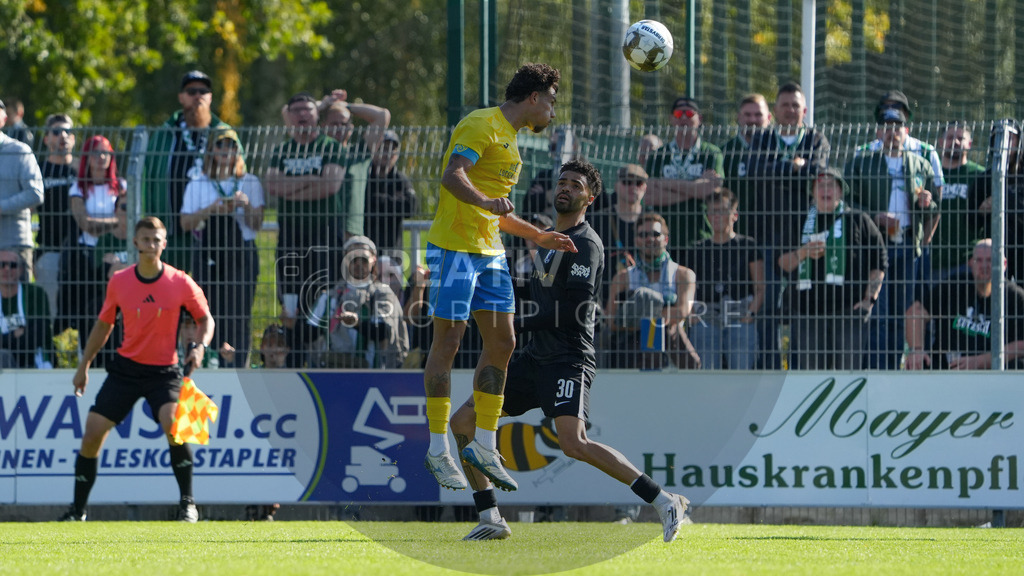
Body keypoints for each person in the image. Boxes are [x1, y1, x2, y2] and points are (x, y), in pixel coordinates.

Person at [450, 159, 689, 542]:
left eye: (575, 185)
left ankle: (662, 500)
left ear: (589, 198)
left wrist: (514, 324)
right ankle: (490, 516)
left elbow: (567, 312)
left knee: (573, 443)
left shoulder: (587, 245)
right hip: (534, 358)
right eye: (562, 182)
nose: (565, 187)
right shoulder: (547, 240)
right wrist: (482, 280)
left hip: (568, 359)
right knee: (462, 422)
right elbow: (535, 288)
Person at [422, 63, 576, 493]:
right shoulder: (481, 124)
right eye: (551, 101)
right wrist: (487, 202)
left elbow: (499, 214)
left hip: (490, 254)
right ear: (533, 97)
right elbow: (453, 176)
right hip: (454, 248)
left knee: (504, 342)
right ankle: (437, 448)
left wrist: (539, 235)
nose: (552, 110)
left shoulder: (512, 141)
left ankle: (485, 443)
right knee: (448, 342)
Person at [59, 216, 213, 523]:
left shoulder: (179, 281)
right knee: (91, 434)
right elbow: (104, 325)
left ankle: (188, 504)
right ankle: (77, 512)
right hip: (126, 370)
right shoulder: (119, 281)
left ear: (164, 244)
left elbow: (205, 318)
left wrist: (199, 347)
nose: (151, 245)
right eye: (145, 240)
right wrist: (84, 365)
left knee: (174, 425)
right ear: (135, 242)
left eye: (157, 240)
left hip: (164, 372)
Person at [845, 106, 939, 370]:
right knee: (878, 311)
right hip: (877, 247)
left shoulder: (920, 163)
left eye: (897, 128)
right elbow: (849, 202)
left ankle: (893, 368)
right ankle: (876, 368)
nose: (892, 133)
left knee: (902, 313)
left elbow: (935, 206)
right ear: (878, 132)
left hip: (908, 245)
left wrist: (927, 203)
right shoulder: (862, 162)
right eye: (886, 128)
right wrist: (875, 217)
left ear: (905, 132)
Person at [746, 83, 830, 369]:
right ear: (775, 111)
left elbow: (816, 174)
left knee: (801, 304)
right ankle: (769, 366)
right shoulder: (762, 139)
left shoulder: (816, 139)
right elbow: (757, 173)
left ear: (804, 111)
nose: (791, 110)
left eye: (796, 106)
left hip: (804, 238)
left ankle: (799, 366)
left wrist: (784, 170)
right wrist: (794, 167)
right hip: (768, 235)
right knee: (768, 304)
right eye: (785, 105)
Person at [777, 168, 887, 370]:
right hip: (807, 314)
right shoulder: (799, 221)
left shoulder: (859, 220)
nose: (825, 190)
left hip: (849, 313)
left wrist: (868, 300)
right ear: (812, 191)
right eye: (820, 185)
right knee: (812, 379)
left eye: (831, 185)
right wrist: (803, 253)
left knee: (848, 377)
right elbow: (782, 264)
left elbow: (879, 262)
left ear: (841, 191)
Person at [265, 92, 346, 361]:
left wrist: (291, 189)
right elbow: (272, 186)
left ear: (317, 114)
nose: (302, 114)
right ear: (290, 115)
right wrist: (313, 179)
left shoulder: (331, 147)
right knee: (290, 300)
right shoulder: (282, 150)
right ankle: (294, 360)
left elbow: (330, 186)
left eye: (308, 110)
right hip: (290, 234)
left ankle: (322, 360)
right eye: (296, 110)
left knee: (322, 297)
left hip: (325, 233)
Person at [181, 129, 264, 368]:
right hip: (208, 252)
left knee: (239, 315)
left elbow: (256, 225)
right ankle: (209, 362)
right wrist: (211, 209)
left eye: (231, 146)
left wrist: (246, 206)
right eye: (221, 146)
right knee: (208, 311)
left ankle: (238, 366)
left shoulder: (250, 181)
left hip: (242, 254)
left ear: (238, 151)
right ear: (212, 151)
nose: (226, 151)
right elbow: (185, 223)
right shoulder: (199, 183)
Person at [143, 71, 233, 271]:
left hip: (216, 235)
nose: (198, 96)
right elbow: (147, 182)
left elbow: (240, 175)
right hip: (171, 235)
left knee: (211, 296)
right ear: (181, 97)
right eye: (191, 91)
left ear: (210, 97)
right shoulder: (163, 135)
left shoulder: (225, 134)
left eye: (203, 91)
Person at [905, 239, 1024, 370]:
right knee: (919, 362)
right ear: (970, 263)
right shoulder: (954, 285)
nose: (984, 266)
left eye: (990, 260)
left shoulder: (1015, 296)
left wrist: (982, 361)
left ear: (1004, 264)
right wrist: (916, 349)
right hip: (948, 368)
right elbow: (916, 311)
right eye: (978, 260)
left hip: (994, 373)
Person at [296, 235, 409, 369]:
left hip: (373, 372)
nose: (358, 264)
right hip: (333, 369)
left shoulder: (383, 294)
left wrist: (356, 324)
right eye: (353, 259)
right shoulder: (331, 296)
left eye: (363, 259)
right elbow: (310, 334)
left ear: (373, 260)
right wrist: (294, 324)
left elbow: (384, 332)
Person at [604, 212, 700, 370]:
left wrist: (642, 317)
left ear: (666, 239)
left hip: (671, 342)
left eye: (655, 234)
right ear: (636, 240)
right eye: (643, 235)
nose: (649, 239)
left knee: (664, 328)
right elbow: (612, 320)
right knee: (653, 330)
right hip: (632, 343)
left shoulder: (683, 274)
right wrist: (657, 317)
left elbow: (682, 311)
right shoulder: (623, 278)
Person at [687, 188, 765, 370]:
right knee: (705, 369)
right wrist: (692, 314)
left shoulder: (748, 245)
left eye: (721, 211)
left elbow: (760, 287)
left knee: (741, 368)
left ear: (734, 215)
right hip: (706, 314)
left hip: (740, 313)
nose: (715, 216)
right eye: (712, 212)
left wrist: (751, 314)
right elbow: (687, 287)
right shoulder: (697, 248)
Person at [60, 135, 126, 352]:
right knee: (90, 309)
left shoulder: (121, 186)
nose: (101, 157)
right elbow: (85, 223)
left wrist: (102, 224)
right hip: (88, 258)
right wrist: (115, 221)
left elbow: (129, 222)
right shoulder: (78, 188)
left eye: (105, 152)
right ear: (86, 157)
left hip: (116, 254)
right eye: (95, 152)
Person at [643, 97, 723, 260]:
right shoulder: (658, 155)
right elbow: (650, 196)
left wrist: (663, 184)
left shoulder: (711, 153)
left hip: (701, 236)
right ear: (672, 119)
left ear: (699, 118)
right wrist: (695, 188)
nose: (684, 118)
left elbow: (711, 191)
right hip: (664, 238)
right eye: (679, 113)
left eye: (689, 113)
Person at [319, 89, 391, 239]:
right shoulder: (315, 152)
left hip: (350, 233)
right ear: (323, 126)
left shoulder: (359, 153)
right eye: (334, 124)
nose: (339, 128)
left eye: (343, 123)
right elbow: (292, 115)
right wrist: (325, 104)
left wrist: (347, 106)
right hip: (320, 230)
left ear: (351, 128)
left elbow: (383, 115)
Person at [35, 113, 78, 323]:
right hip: (49, 250)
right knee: (51, 314)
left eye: (68, 131)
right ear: (46, 139)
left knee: (81, 313)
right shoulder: (38, 170)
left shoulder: (82, 169)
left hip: (80, 252)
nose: (63, 136)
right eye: (56, 131)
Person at [969, 119, 1024, 283]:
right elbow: (970, 220)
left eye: (1010, 137)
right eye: (999, 137)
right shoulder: (985, 178)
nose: (1005, 142)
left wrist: (1004, 201)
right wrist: (981, 211)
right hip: (995, 251)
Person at [931, 123, 985, 280]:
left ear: (969, 144)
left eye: (960, 138)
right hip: (933, 260)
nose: (954, 142)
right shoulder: (929, 171)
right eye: (949, 137)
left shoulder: (980, 175)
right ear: (941, 142)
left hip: (968, 260)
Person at [0, 98, 44, 283]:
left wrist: (1, 206)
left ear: (4, 118)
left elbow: (36, 193)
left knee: (21, 308)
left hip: (14, 245)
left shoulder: (19, 151)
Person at [590, 164, 648, 303]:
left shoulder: (651, 222)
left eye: (638, 183)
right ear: (616, 186)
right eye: (627, 182)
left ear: (645, 187)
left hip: (641, 299)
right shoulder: (596, 220)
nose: (633, 187)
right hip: (602, 297)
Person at [719, 93, 771, 236]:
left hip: (772, 229)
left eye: (758, 114)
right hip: (737, 232)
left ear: (769, 117)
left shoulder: (778, 149)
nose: (753, 119)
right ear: (739, 117)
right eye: (747, 114)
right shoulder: (725, 152)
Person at [364, 130, 418, 253]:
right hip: (366, 249)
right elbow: (363, 205)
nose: (387, 153)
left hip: (393, 250)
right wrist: (395, 202)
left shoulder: (400, 179)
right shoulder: (364, 177)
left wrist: (379, 200)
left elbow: (411, 208)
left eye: (392, 149)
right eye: (383, 148)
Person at [0, 249, 52, 368]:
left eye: (13, 265)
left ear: (21, 269)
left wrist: (5, 339)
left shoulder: (35, 294)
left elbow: (37, 335)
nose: (7, 269)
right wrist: (15, 334)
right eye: (1, 265)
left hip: (33, 360)